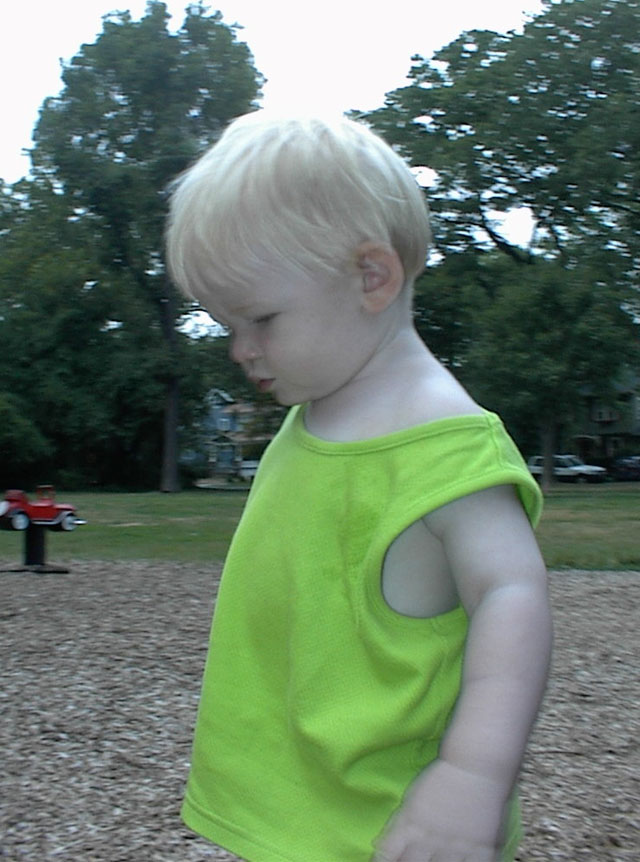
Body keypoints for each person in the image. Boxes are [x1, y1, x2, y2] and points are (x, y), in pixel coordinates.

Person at [166, 112, 552, 862]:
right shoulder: (315, 415)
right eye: (226, 326)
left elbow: (513, 595)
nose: (241, 350)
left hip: (394, 831)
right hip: (295, 818)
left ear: (371, 277)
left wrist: (471, 779)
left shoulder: (443, 445)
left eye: (260, 319)